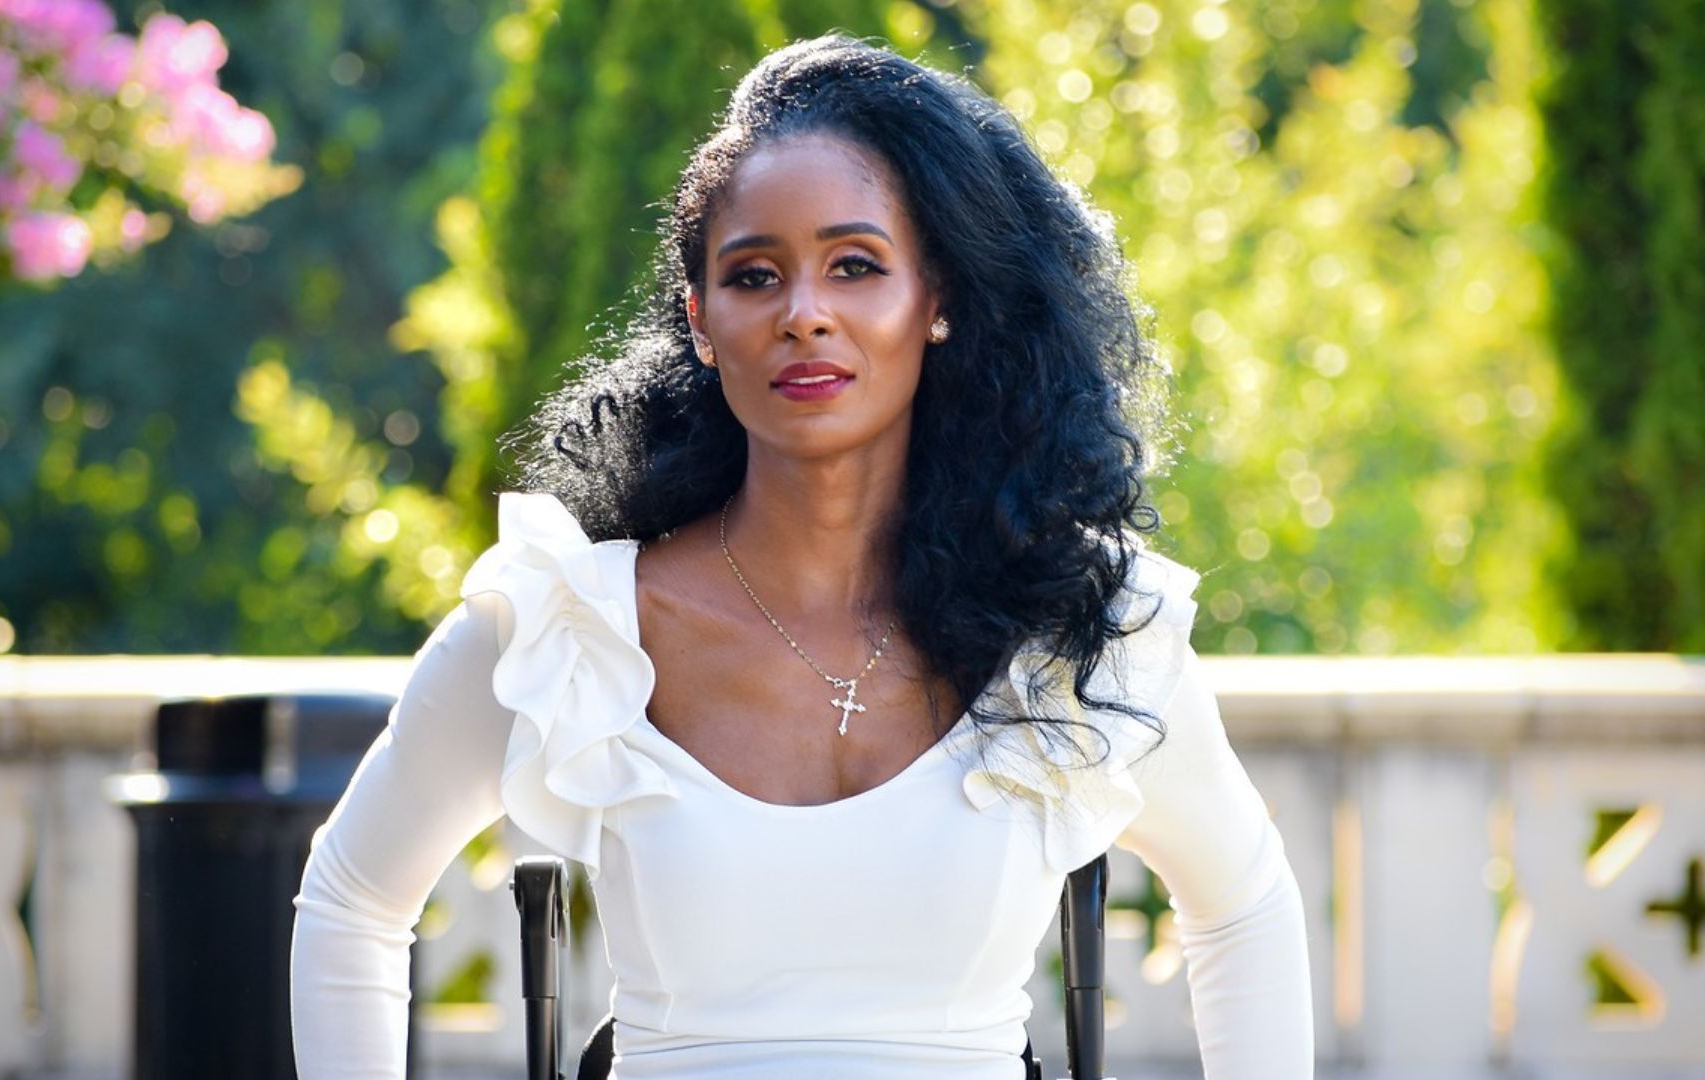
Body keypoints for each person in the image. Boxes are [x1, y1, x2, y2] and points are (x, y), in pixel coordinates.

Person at [290, 33, 1313, 1080]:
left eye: (856, 266)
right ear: (700, 320)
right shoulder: (569, 627)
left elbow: (1245, 908)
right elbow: (351, 902)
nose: (805, 314)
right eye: (755, 275)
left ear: (939, 301)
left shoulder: (1075, 627)